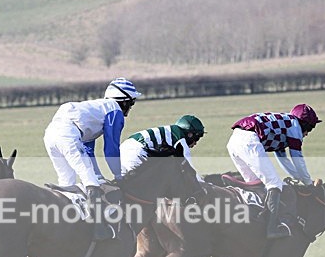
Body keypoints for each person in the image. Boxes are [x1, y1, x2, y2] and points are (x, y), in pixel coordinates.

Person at [43, 78, 142, 239]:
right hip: (68, 135)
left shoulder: (95, 111)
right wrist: (118, 175)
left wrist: (98, 175)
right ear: (124, 101)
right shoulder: (114, 110)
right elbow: (111, 148)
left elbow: (88, 150)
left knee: (67, 182)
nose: (131, 107)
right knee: (91, 183)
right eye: (131, 102)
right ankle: (98, 229)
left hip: (50, 135)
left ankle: (64, 222)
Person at [226, 104, 322, 239]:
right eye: (310, 129)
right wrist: (309, 184)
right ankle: (272, 229)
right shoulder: (294, 126)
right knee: (274, 183)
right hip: (249, 140)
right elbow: (297, 158)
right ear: (304, 124)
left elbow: (283, 159)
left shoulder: (284, 126)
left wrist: (301, 179)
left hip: (234, 141)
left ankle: (255, 222)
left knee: (257, 185)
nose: (307, 134)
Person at [120, 114, 206, 180]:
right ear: (190, 134)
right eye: (197, 138)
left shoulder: (171, 132)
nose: (195, 143)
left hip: (125, 147)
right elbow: (189, 169)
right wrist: (202, 184)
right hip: (136, 150)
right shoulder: (180, 139)